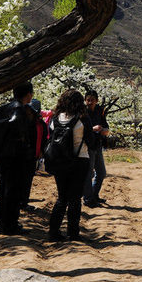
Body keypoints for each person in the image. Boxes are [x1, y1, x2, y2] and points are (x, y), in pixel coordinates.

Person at [48, 89, 95, 242]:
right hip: (79, 160)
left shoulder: (55, 118)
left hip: (59, 162)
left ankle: (53, 232)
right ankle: (73, 233)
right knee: (75, 198)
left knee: (62, 198)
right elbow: (91, 143)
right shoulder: (83, 119)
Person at [0, 81, 39, 235]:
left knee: (4, 188)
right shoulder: (19, 109)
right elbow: (18, 131)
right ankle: (10, 225)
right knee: (13, 191)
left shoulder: (5, 108)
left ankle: (2, 222)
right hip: (15, 156)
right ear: (28, 94)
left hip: (4, 154)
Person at [82, 90, 109, 208]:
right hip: (87, 145)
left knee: (101, 172)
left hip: (98, 144)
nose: (90, 102)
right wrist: (92, 128)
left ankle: (93, 194)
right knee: (89, 173)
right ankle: (88, 199)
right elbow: (79, 128)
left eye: (92, 99)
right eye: (88, 99)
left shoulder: (99, 110)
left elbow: (105, 124)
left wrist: (105, 130)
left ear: (97, 100)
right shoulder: (82, 112)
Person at [21, 98, 47, 212]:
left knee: (28, 180)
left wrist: (41, 151)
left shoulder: (41, 124)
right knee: (22, 180)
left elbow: (43, 139)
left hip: (34, 156)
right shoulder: (24, 123)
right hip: (24, 156)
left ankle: (24, 202)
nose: (29, 112)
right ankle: (20, 203)